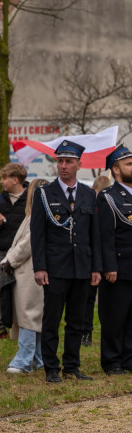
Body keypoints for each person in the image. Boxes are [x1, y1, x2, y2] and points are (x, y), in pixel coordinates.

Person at [31, 140, 101, 383]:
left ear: (78, 165)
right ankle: (51, 367)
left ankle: (72, 365)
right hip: (56, 267)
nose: (63, 166)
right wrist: (39, 266)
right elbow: (37, 234)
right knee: (51, 319)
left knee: (77, 320)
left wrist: (96, 268)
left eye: (68, 162)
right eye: (60, 161)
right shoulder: (44, 194)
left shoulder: (88, 194)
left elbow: (95, 235)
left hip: (82, 267)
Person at [1, 178, 48, 374]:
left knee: (29, 315)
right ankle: (39, 358)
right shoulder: (33, 216)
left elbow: (27, 244)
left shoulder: (37, 216)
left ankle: (24, 359)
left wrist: (8, 260)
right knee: (32, 316)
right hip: (26, 273)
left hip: (29, 273)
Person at [97, 145, 132, 375]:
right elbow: (105, 236)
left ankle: (129, 359)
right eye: (129, 163)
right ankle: (112, 361)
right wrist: (109, 266)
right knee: (115, 316)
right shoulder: (108, 197)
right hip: (119, 266)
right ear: (116, 170)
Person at [0, 163, 28, 338]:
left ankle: (20, 326)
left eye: (4, 178)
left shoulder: (30, 198)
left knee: (21, 290)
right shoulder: (0, 200)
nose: (1, 182)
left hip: (21, 254)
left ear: (15, 179)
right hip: (1, 252)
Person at [81, 174, 111, 346]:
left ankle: (93, 331)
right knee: (88, 298)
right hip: (91, 258)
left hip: (106, 259)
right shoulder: (91, 206)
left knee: (103, 300)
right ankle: (86, 331)